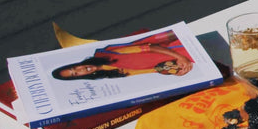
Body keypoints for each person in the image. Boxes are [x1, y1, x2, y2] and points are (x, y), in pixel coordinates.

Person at [52, 30, 194, 80]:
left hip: (180, 47)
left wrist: (179, 57)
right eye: (75, 74)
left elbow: (150, 47)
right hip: (186, 60)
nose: (80, 70)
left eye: (75, 68)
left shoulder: (106, 54)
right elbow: (154, 69)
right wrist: (175, 71)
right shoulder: (116, 74)